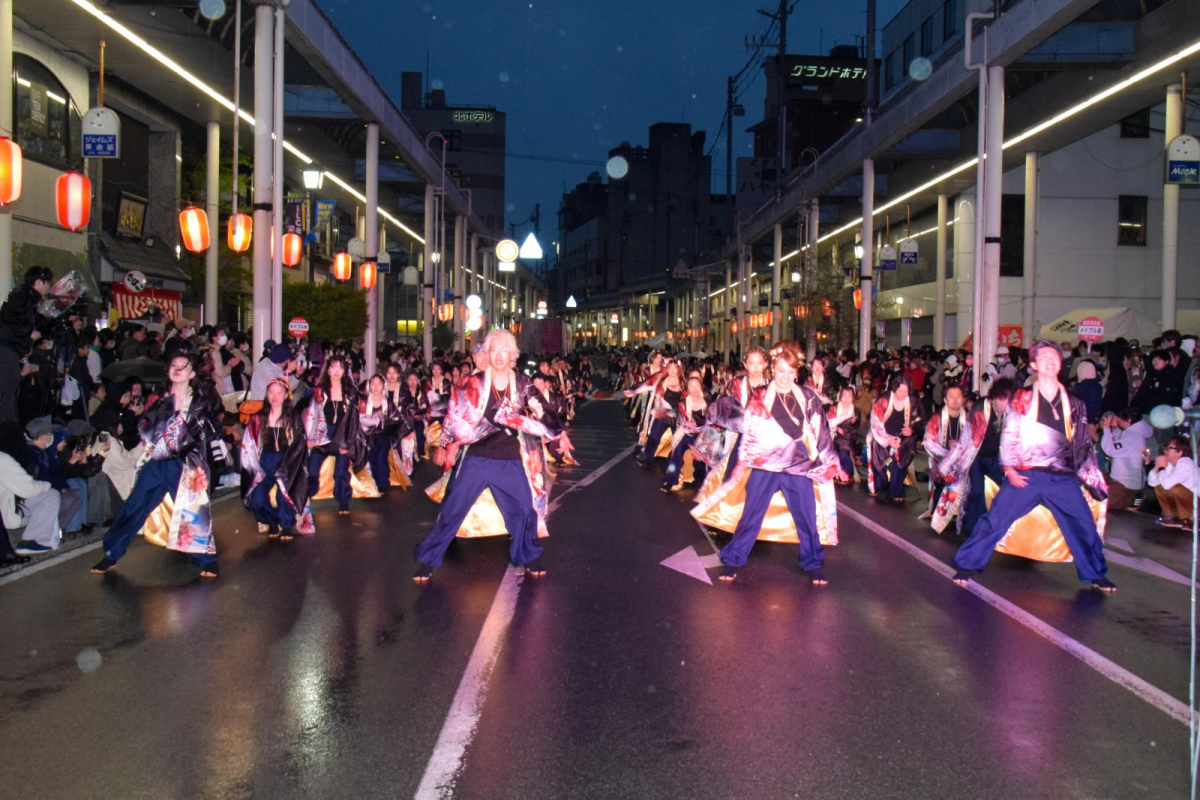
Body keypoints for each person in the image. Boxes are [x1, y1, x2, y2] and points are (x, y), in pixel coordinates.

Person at [951, 340, 1115, 592]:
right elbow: (1011, 432)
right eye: (1044, 357)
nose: (1050, 361)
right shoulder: (1022, 399)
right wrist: (1009, 467)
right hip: (1026, 475)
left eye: (1055, 357)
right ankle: (967, 564)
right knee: (994, 520)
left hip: (1062, 477)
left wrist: (1092, 480)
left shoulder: (1074, 402)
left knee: (1083, 524)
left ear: (1061, 363)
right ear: (1034, 365)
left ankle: (1095, 573)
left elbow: (1082, 443)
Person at [412, 330, 562, 583]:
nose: (500, 355)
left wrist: (559, 433)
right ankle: (428, 560)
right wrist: (444, 444)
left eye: (505, 350)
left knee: (524, 511)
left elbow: (543, 412)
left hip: (508, 458)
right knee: (452, 509)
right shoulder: (473, 383)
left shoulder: (523, 384)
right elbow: (452, 413)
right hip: (477, 458)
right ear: (487, 354)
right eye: (494, 350)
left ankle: (528, 555)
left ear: (512, 354)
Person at [696, 341, 844, 584]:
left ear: (796, 373)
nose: (784, 377)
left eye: (790, 372)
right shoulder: (760, 395)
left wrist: (829, 462)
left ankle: (813, 563)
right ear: (773, 370)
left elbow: (822, 431)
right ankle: (733, 560)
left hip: (797, 468)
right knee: (750, 516)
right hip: (765, 467)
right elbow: (747, 424)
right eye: (780, 371)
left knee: (807, 518)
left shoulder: (808, 397)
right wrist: (715, 412)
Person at [91, 352, 222, 578]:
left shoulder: (201, 401)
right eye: (174, 365)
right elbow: (145, 428)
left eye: (183, 366)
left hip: (185, 463)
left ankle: (207, 559)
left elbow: (212, 430)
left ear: (191, 373)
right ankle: (111, 552)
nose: (178, 369)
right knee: (135, 505)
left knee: (193, 511)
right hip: (158, 461)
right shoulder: (159, 399)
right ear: (169, 370)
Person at [932, 378, 1016, 537]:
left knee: (1010, 489)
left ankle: (1003, 529)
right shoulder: (980, 409)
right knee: (976, 491)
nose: (1005, 403)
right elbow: (966, 440)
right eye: (1002, 398)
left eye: (1009, 399)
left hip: (996, 457)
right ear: (995, 397)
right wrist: (946, 464)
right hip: (975, 457)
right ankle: (974, 528)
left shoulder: (1012, 411)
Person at [241, 378, 311, 541]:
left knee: (284, 495)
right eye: (271, 392)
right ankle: (271, 520)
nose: (275, 396)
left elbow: (299, 444)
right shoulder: (258, 418)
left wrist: (293, 464)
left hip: (287, 462)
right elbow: (248, 443)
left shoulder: (293, 417)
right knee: (257, 498)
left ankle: (286, 525)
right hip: (263, 462)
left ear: (286, 394)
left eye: (279, 392)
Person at [302, 355, 364, 515]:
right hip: (322, 435)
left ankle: (343, 501)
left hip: (342, 435)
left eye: (340, 367)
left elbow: (354, 419)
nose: (336, 371)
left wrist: (349, 442)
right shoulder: (318, 390)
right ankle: (302, 501)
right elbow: (309, 415)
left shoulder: (351, 391)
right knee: (312, 470)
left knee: (341, 472)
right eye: (333, 367)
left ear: (345, 371)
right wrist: (309, 438)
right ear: (328, 369)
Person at [0, 420, 62, 556]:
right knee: (51, 495)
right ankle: (32, 541)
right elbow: (28, 489)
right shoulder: (3, 459)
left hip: (7, 509)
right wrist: (48, 485)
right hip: (6, 517)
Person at [0, 266, 51, 424]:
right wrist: (28, 332)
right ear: (38, 282)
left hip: (10, 347)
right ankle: (7, 425)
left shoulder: (25, 296)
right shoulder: (23, 295)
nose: (49, 286)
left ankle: (8, 423)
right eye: (47, 282)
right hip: (6, 346)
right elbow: (10, 319)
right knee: (8, 388)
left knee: (9, 387)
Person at [868, 373, 920, 505]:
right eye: (900, 391)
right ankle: (882, 484)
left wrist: (912, 430)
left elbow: (920, 420)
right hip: (883, 435)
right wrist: (887, 439)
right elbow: (876, 422)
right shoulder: (884, 400)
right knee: (879, 467)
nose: (903, 394)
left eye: (906, 391)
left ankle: (896, 492)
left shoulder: (913, 401)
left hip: (903, 438)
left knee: (899, 465)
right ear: (894, 388)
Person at [919, 384, 966, 520]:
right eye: (951, 397)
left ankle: (958, 513)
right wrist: (949, 454)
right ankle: (937, 511)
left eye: (958, 396)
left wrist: (959, 451)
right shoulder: (937, 418)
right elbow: (928, 441)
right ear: (945, 400)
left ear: (963, 399)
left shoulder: (969, 418)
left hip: (962, 461)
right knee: (940, 476)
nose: (955, 400)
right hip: (940, 458)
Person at [627, 360, 684, 467]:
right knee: (654, 437)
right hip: (664, 414)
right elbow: (657, 396)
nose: (672, 370)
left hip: (678, 416)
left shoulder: (682, 382)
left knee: (679, 442)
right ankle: (647, 459)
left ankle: (676, 466)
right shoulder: (664, 380)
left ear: (678, 369)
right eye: (670, 368)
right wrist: (657, 410)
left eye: (674, 368)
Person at [1099, 408, 1152, 512]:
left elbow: (1110, 450)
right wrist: (1115, 429)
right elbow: (1121, 444)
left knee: (1098, 501)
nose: (1118, 420)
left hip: (1125, 484)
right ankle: (1134, 497)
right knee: (1094, 481)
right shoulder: (1136, 433)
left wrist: (1106, 428)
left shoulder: (1132, 436)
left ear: (1128, 420)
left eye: (1120, 419)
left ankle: (1131, 499)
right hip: (1126, 481)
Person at [662, 376, 708, 492]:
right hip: (686, 433)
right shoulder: (683, 403)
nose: (694, 388)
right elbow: (683, 423)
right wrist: (692, 427)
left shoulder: (707, 402)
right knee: (676, 452)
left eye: (697, 385)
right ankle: (670, 480)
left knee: (702, 456)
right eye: (691, 386)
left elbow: (710, 422)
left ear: (701, 387)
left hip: (702, 435)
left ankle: (701, 480)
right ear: (687, 388)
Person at [1148, 436, 1195, 528]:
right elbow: (1152, 483)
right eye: (1165, 447)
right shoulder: (1170, 464)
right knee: (1159, 487)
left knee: (1175, 488)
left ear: (1180, 452)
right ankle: (1172, 517)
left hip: (1196, 503)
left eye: (1169, 448)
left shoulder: (1186, 463)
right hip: (1189, 503)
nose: (1165, 450)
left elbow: (1168, 485)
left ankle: (1193, 520)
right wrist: (1157, 468)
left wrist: (1162, 468)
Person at [827, 386, 860, 484]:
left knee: (843, 453)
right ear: (840, 397)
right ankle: (838, 475)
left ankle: (848, 474)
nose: (846, 399)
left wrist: (851, 425)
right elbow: (829, 421)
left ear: (852, 398)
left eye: (849, 396)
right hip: (834, 434)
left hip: (848, 437)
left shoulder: (856, 411)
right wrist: (837, 429)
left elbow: (856, 428)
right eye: (844, 396)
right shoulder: (834, 407)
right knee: (834, 454)